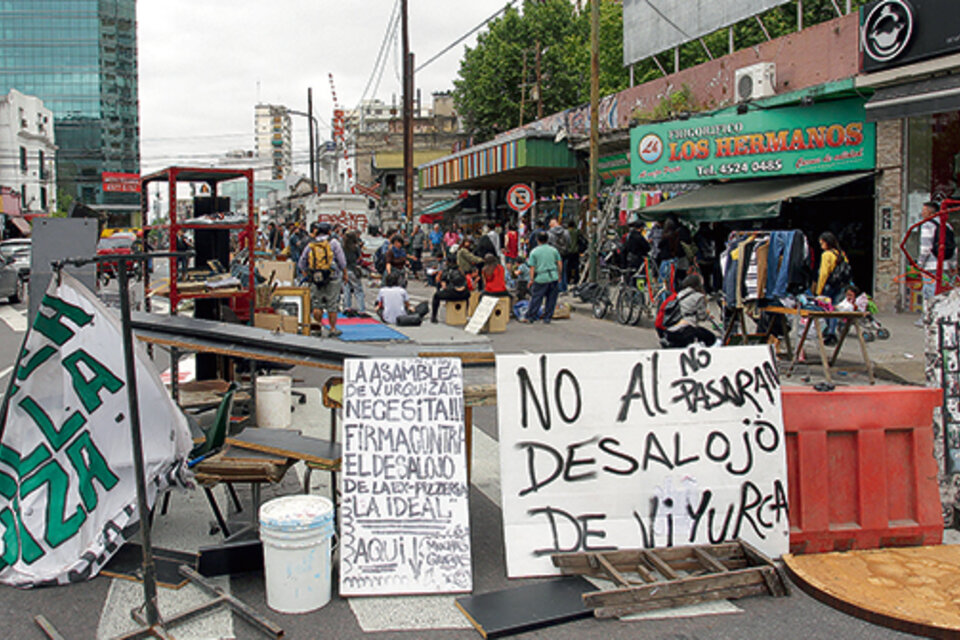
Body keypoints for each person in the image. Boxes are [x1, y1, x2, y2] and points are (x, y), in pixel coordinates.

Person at [298, 222, 347, 337]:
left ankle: (317, 327)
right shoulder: (334, 243)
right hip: (332, 277)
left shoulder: (311, 244)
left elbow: (301, 263)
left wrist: (308, 275)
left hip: (316, 278)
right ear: (329, 231)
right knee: (332, 304)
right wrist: (345, 274)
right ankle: (333, 329)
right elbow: (342, 261)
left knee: (317, 304)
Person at [659, 274, 717, 348]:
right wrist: (707, 313)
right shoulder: (699, 297)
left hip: (673, 327)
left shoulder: (680, 294)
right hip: (687, 327)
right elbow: (702, 316)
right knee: (710, 338)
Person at [815, 231, 849, 346]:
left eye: (821, 243)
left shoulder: (826, 255)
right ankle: (831, 331)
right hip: (839, 286)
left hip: (829, 285)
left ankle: (829, 332)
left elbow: (823, 274)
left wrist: (819, 290)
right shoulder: (841, 254)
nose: (821, 245)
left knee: (825, 308)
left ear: (826, 243)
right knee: (833, 308)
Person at [524, 231, 562, 323]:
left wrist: (531, 279)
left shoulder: (534, 252)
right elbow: (559, 263)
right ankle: (547, 317)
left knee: (537, 298)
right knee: (551, 299)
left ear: (537, 240)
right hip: (553, 277)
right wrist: (559, 275)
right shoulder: (554, 250)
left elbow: (532, 268)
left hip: (540, 278)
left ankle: (531, 316)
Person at [430, 258, 470, 323]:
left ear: (447, 262)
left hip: (453, 294)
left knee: (436, 296)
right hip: (464, 295)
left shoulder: (447, 271)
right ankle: (465, 313)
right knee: (467, 295)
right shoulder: (461, 271)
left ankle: (434, 317)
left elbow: (444, 286)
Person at [341, 230, 366, 315]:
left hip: (344, 270)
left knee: (346, 289)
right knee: (358, 290)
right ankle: (361, 309)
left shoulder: (342, 247)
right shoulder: (356, 247)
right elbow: (359, 258)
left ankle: (347, 307)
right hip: (353, 269)